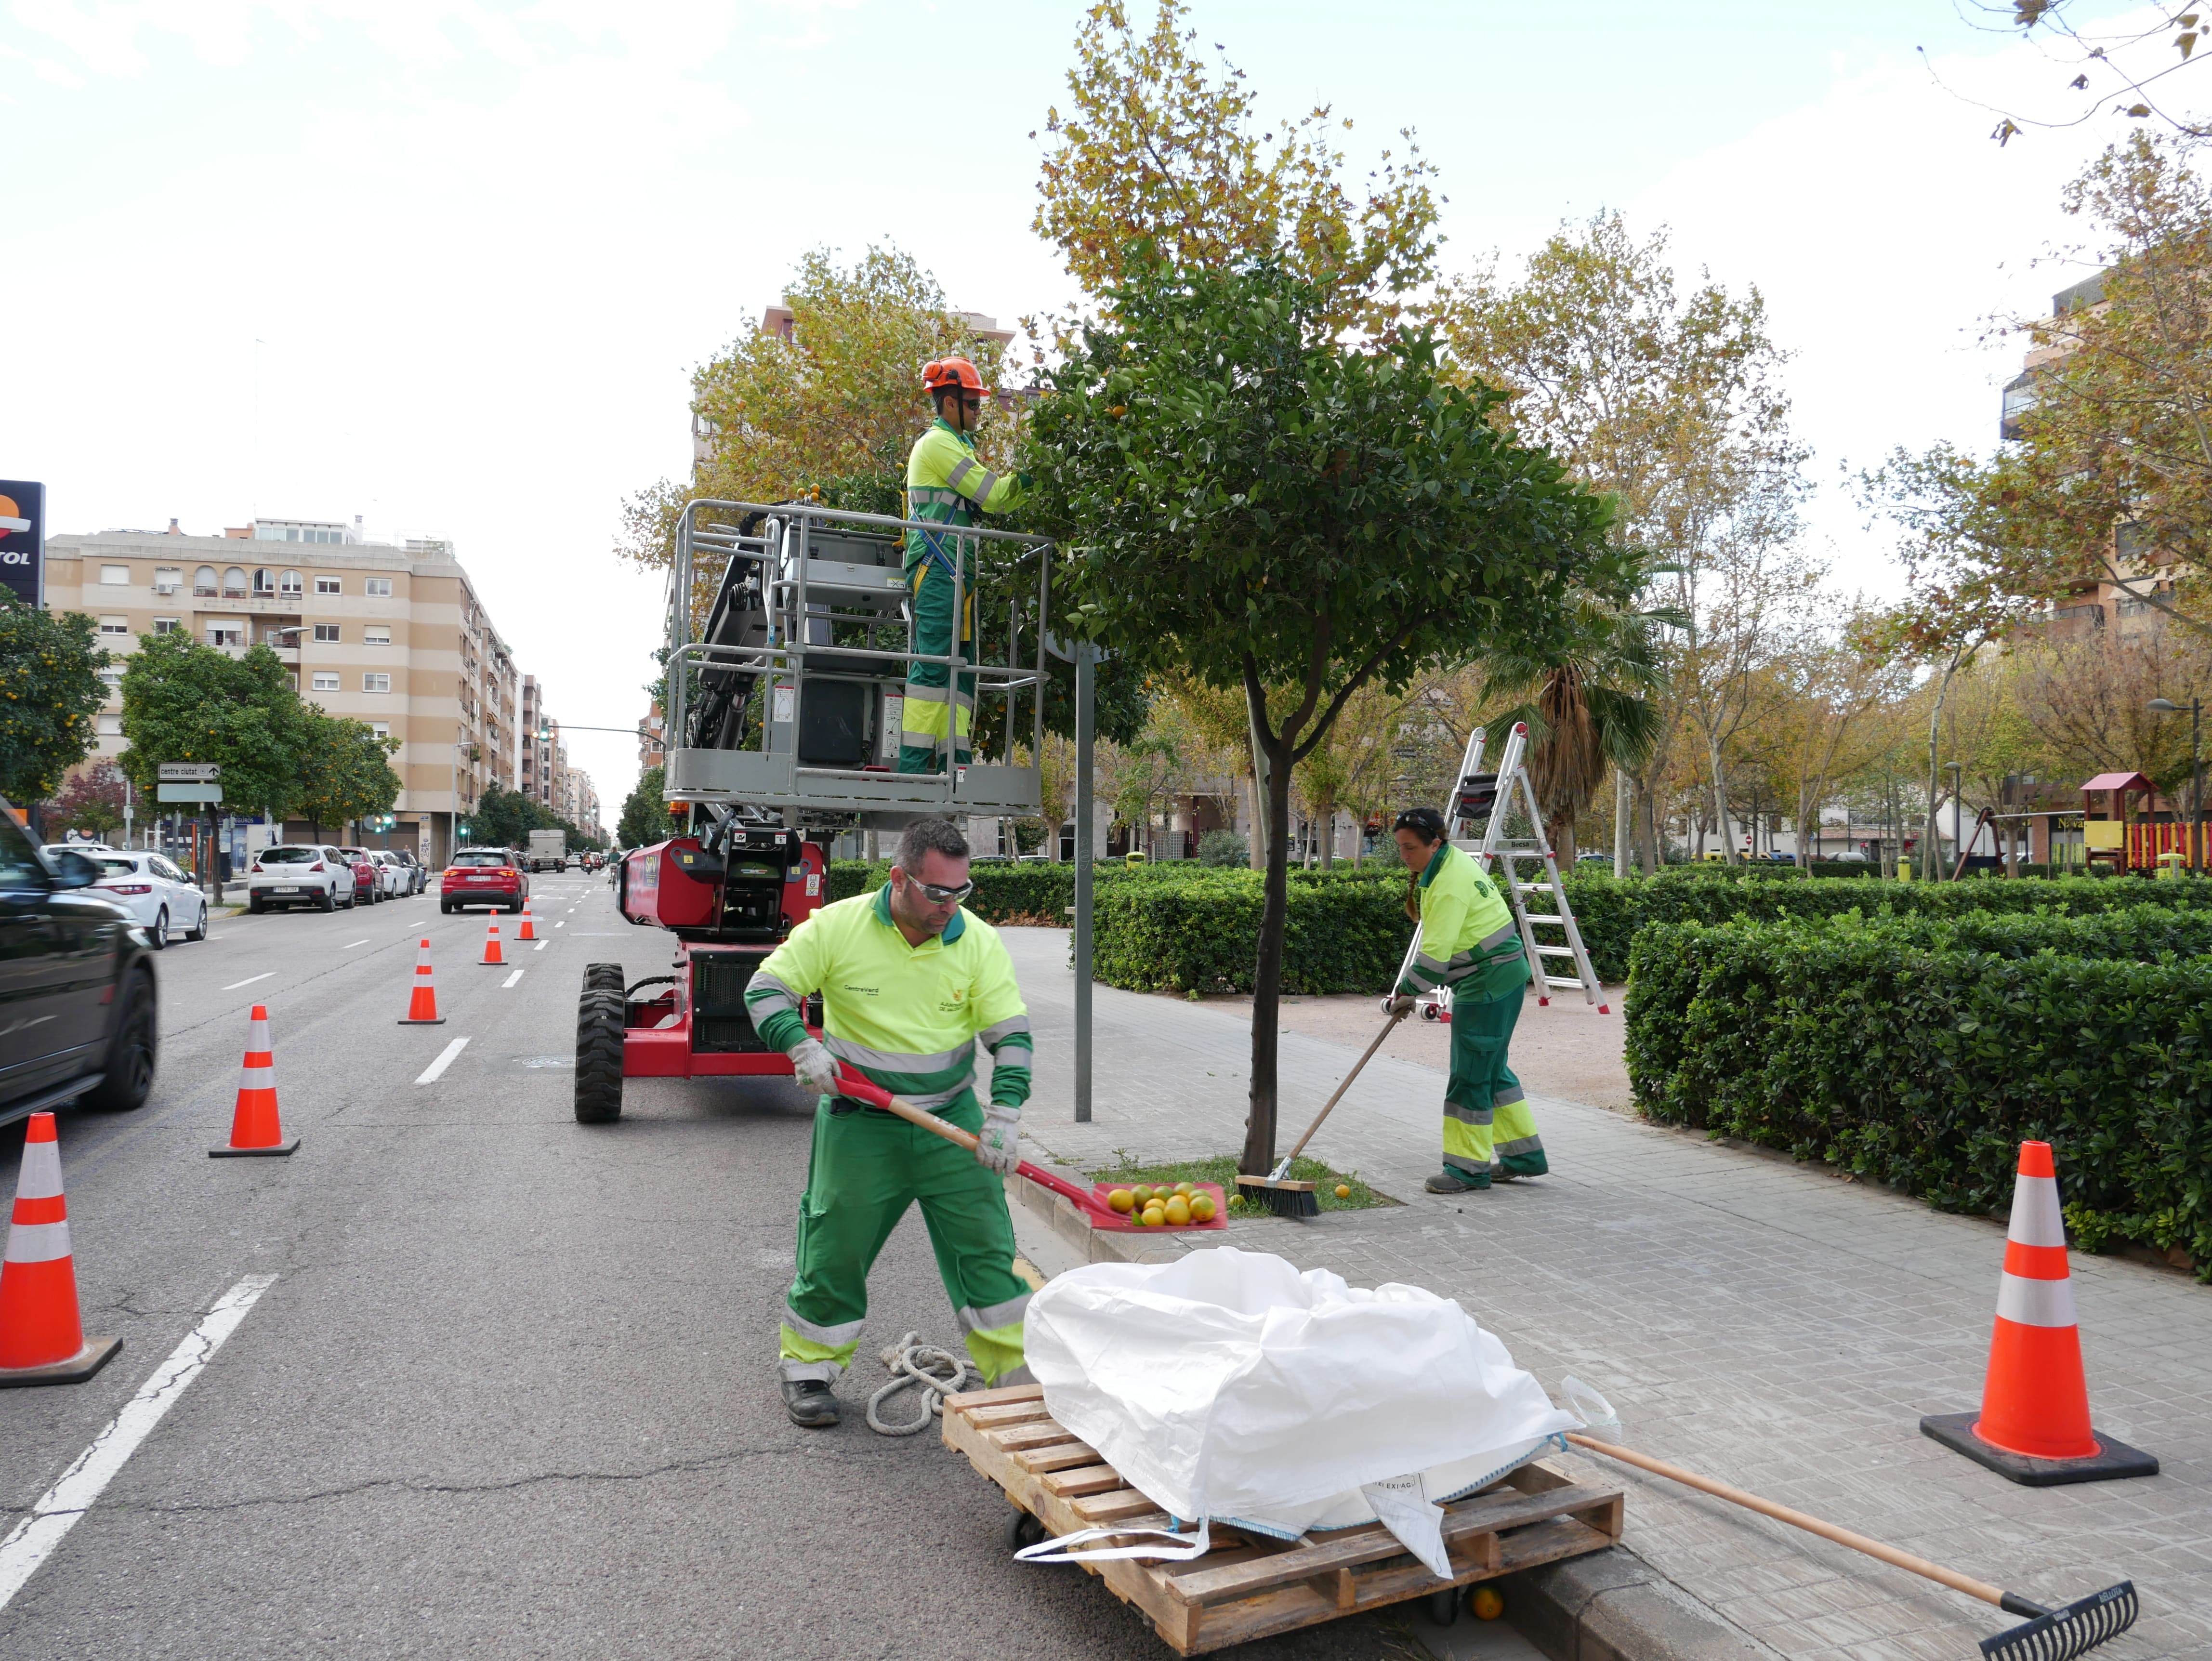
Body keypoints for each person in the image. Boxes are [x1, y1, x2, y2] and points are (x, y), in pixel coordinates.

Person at [744, 816, 1036, 1426]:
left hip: (951, 1118)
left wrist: (1005, 1112)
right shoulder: (838, 927)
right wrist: (802, 1046)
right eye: (937, 892)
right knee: (835, 1247)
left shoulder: (975, 941)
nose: (949, 906)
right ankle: (808, 1370)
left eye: (961, 892)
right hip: (860, 1120)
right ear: (899, 878)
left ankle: (1019, 1379)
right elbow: (765, 989)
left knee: (985, 1252)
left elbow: (1009, 1036)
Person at [1389, 806, 1549, 1194]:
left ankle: (1466, 1171)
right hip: (1500, 977)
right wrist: (1411, 990)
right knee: (1492, 1071)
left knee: (1470, 1077)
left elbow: (1433, 961)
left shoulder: (1447, 884)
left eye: (1410, 848)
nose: (1404, 856)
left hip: (1488, 984)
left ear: (1435, 843)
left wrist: (1405, 993)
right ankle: (1523, 1157)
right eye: (1400, 848)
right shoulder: (1449, 864)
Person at [897, 357, 1026, 774]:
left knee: (960, 675)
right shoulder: (938, 444)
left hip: (953, 575)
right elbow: (997, 496)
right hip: (937, 572)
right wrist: (1036, 475)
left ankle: (956, 766)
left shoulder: (956, 444)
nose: (978, 413)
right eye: (973, 405)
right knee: (933, 668)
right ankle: (914, 768)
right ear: (949, 403)